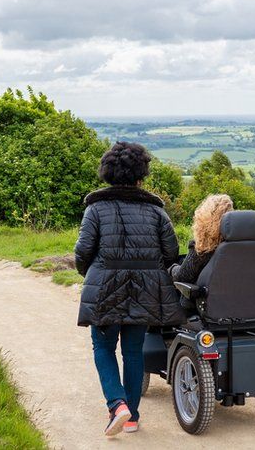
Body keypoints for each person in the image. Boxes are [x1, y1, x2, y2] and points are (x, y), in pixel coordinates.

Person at [75, 142, 184, 437]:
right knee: (133, 352)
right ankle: (132, 417)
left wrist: (93, 276)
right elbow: (171, 253)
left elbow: (82, 253)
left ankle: (117, 404)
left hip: (105, 288)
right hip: (146, 290)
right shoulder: (156, 212)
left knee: (103, 346)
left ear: (108, 172)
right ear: (141, 174)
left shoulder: (95, 209)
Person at [170, 194, 234, 284]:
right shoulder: (249, 248)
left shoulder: (204, 248)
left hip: (206, 297)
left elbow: (182, 277)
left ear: (205, 219)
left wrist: (171, 268)